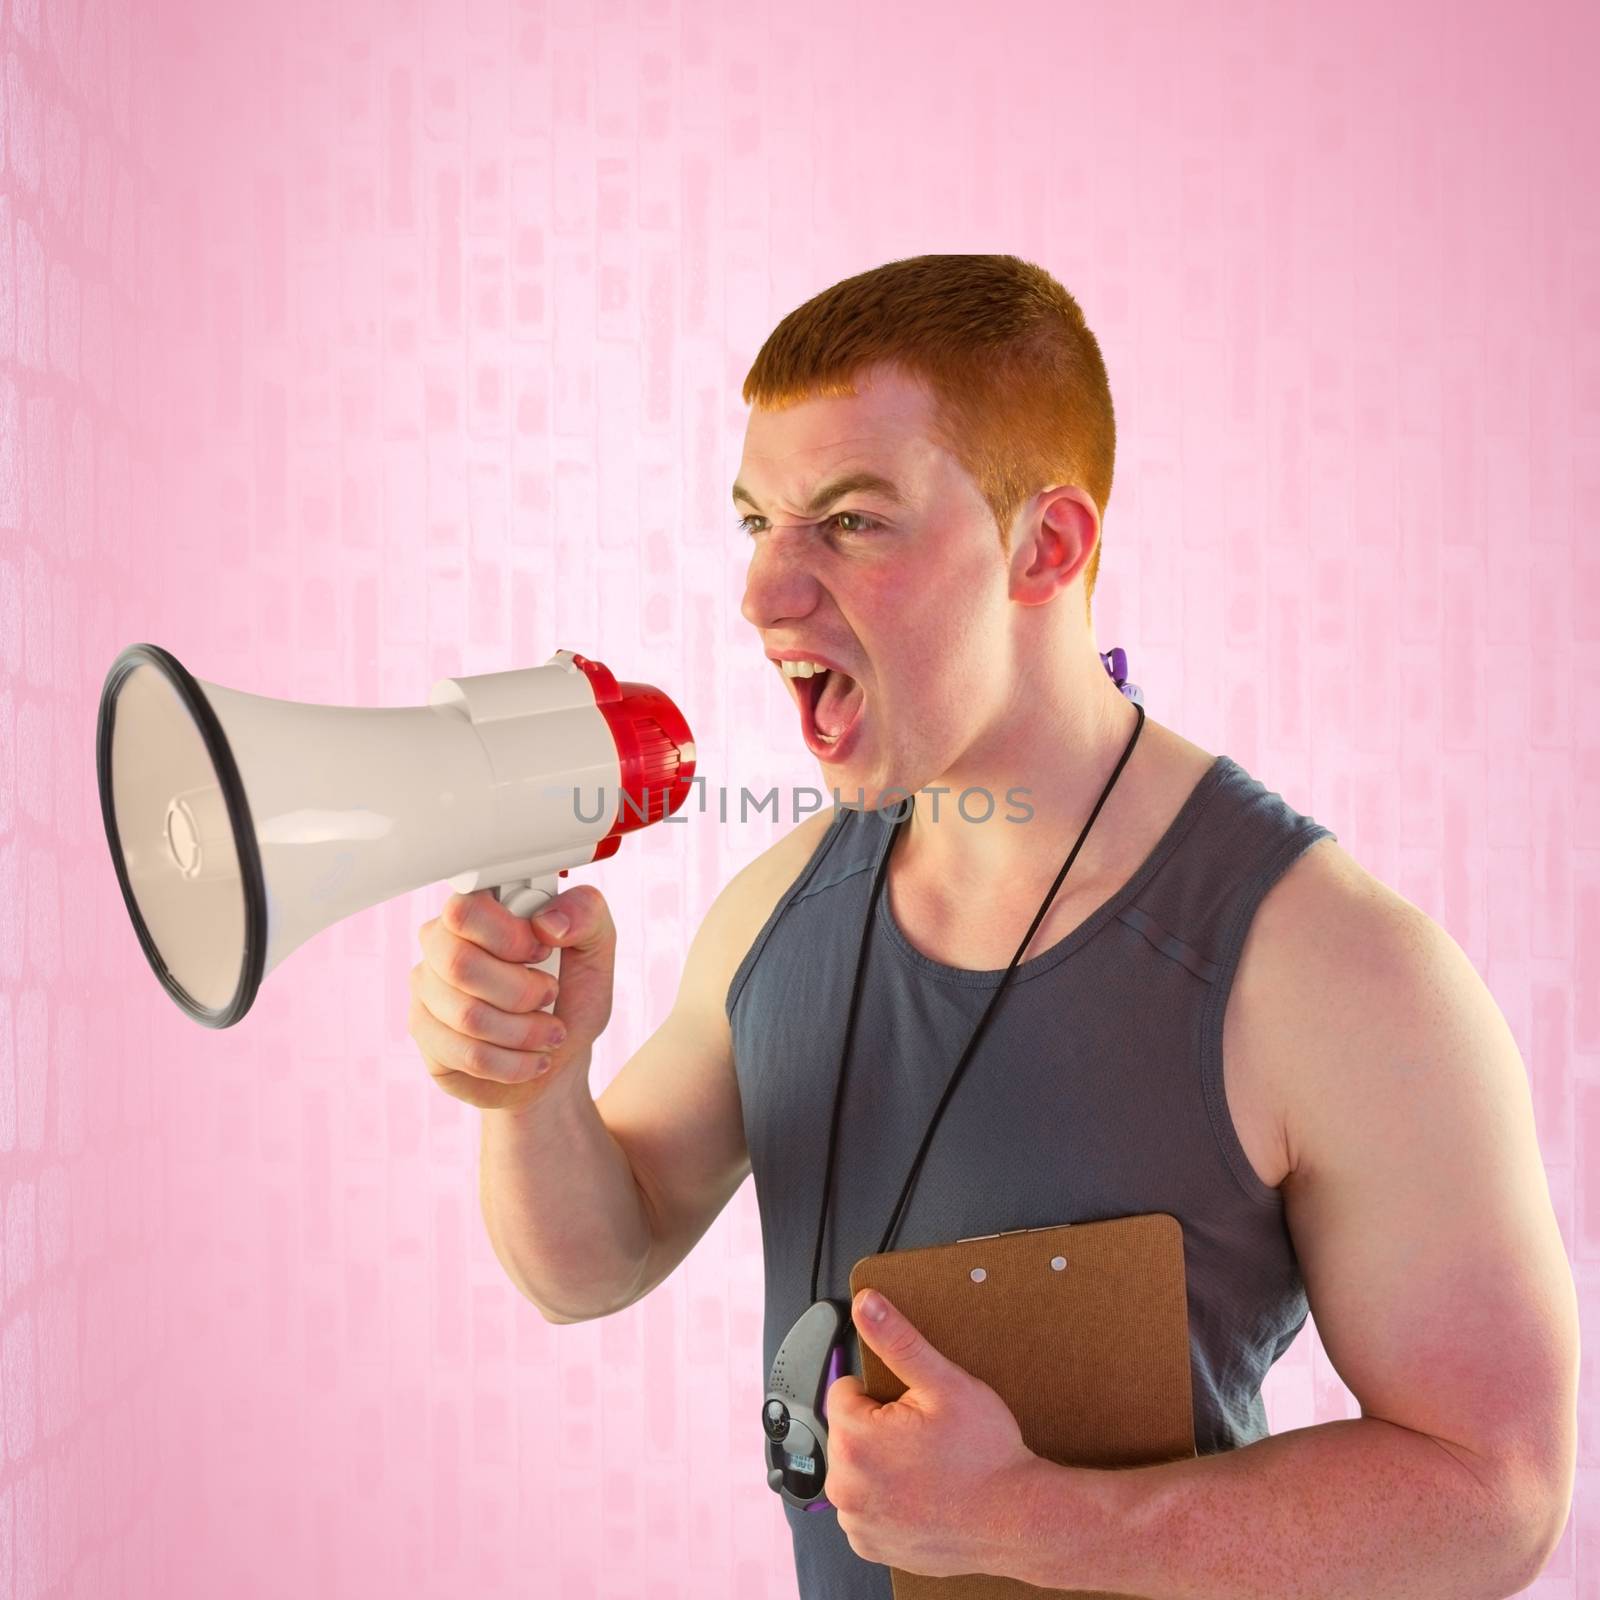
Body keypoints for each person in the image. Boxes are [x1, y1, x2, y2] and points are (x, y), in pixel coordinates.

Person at [407, 254, 1578, 1598]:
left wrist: (1039, 1521)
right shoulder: (781, 905)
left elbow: (1499, 1494)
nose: (764, 595)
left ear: (1049, 545)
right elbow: (590, 1263)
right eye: (757, 524)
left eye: (851, 522)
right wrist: (533, 1083)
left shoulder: (1330, 967)